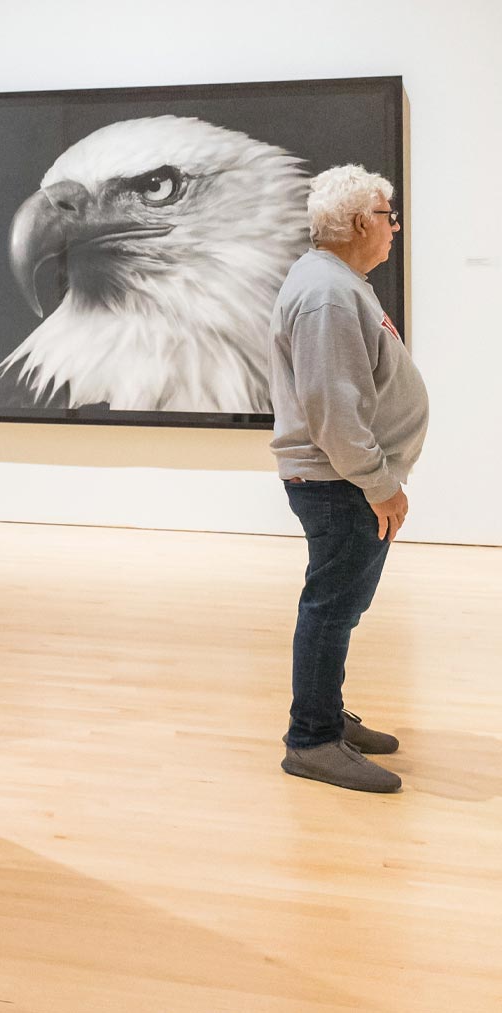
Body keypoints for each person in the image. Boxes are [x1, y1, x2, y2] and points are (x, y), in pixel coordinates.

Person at [268, 164, 428, 793]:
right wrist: (379, 481)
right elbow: (334, 409)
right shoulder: (329, 292)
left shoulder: (338, 282)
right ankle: (312, 740)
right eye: (389, 217)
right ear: (363, 221)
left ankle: (326, 716)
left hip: (345, 481)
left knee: (340, 605)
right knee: (332, 609)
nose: (393, 230)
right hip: (341, 483)